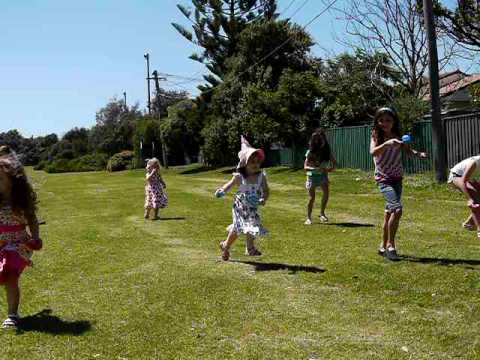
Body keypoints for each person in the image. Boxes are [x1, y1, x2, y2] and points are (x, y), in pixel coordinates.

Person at [370, 107, 427, 261]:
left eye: (388, 120)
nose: (384, 123)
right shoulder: (376, 135)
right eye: (381, 120)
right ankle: (391, 245)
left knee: (389, 213)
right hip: (383, 179)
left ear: (394, 121)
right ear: (377, 121)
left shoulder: (398, 136)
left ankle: (382, 245)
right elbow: (373, 152)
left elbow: (407, 150)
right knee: (397, 209)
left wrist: (418, 154)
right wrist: (387, 144)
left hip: (397, 178)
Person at [0, 145, 43, 329]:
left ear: (11, 178)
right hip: (1, 244)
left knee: (10, 276)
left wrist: (36, 238)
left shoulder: (22, 199)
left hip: (19, 244)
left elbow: (32, 219)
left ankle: (12, 315)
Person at [215, 136, 269, 261]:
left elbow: (266, 190)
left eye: (257, 162)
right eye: (252, 162)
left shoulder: (261, 176)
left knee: (252, 224)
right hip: (239, 206)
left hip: (252, 205)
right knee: (238, 227)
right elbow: (229, 185)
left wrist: (263, 199)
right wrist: (222, 191)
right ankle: (229, 246)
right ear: (244, 163)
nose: (256, 164)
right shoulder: (239, 176)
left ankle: (245, 247)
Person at [304, 129, 336, 225]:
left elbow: (334, 164)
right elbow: (305, 167)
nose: (320, 141)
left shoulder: (327, 152)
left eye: (322, 139)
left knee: (326, 193)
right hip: (312, 177)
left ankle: (322, 213)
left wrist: (328, 170)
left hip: (323, 177)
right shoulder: (310, 152)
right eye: (318, 139)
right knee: (311, 198)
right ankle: (308, 218)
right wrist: (314, 169)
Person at [448, 155, 480, 237]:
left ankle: (469, 223)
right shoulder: (475, 162)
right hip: (456, 176)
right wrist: (469, 199)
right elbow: (463, 181)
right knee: (475, 200)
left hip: (470, 178)